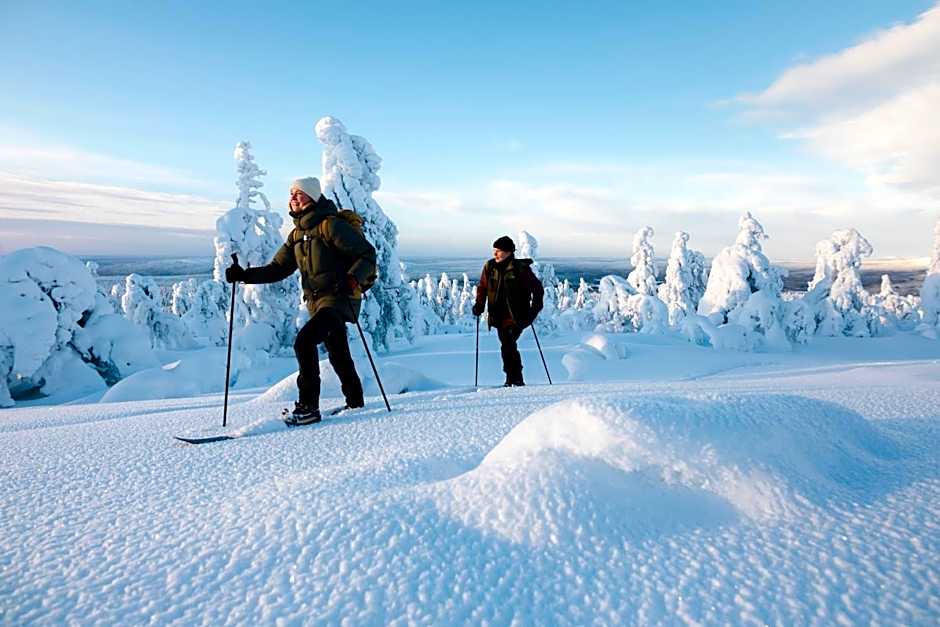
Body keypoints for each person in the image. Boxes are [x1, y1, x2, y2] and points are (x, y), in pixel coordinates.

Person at [225, 177, 377, 424]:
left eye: (299, 193)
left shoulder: (331, 226)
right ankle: (355, 401)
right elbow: (277, 268)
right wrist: (244, 275)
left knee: (304, 342)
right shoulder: (297, 235)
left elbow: (367, 254)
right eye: (291, 193)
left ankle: (308, 408)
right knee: (338, 352)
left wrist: (352, 278)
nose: (293, 198)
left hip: (339, 298)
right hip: (316, 302)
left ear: (313, 197)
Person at [472, 236, 544, 386]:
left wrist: (531, 313)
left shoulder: (520, 269)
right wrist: (479, 305)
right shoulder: (490, 267)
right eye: (494, 251)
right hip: (498, 317)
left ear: (508, 252)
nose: (495, 254)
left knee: (508, 344)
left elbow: (538, 290)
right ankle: (513, 378)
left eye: (498, 251)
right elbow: (483, 287)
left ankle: (514, 379)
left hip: (516, 317)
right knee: (506, 345)